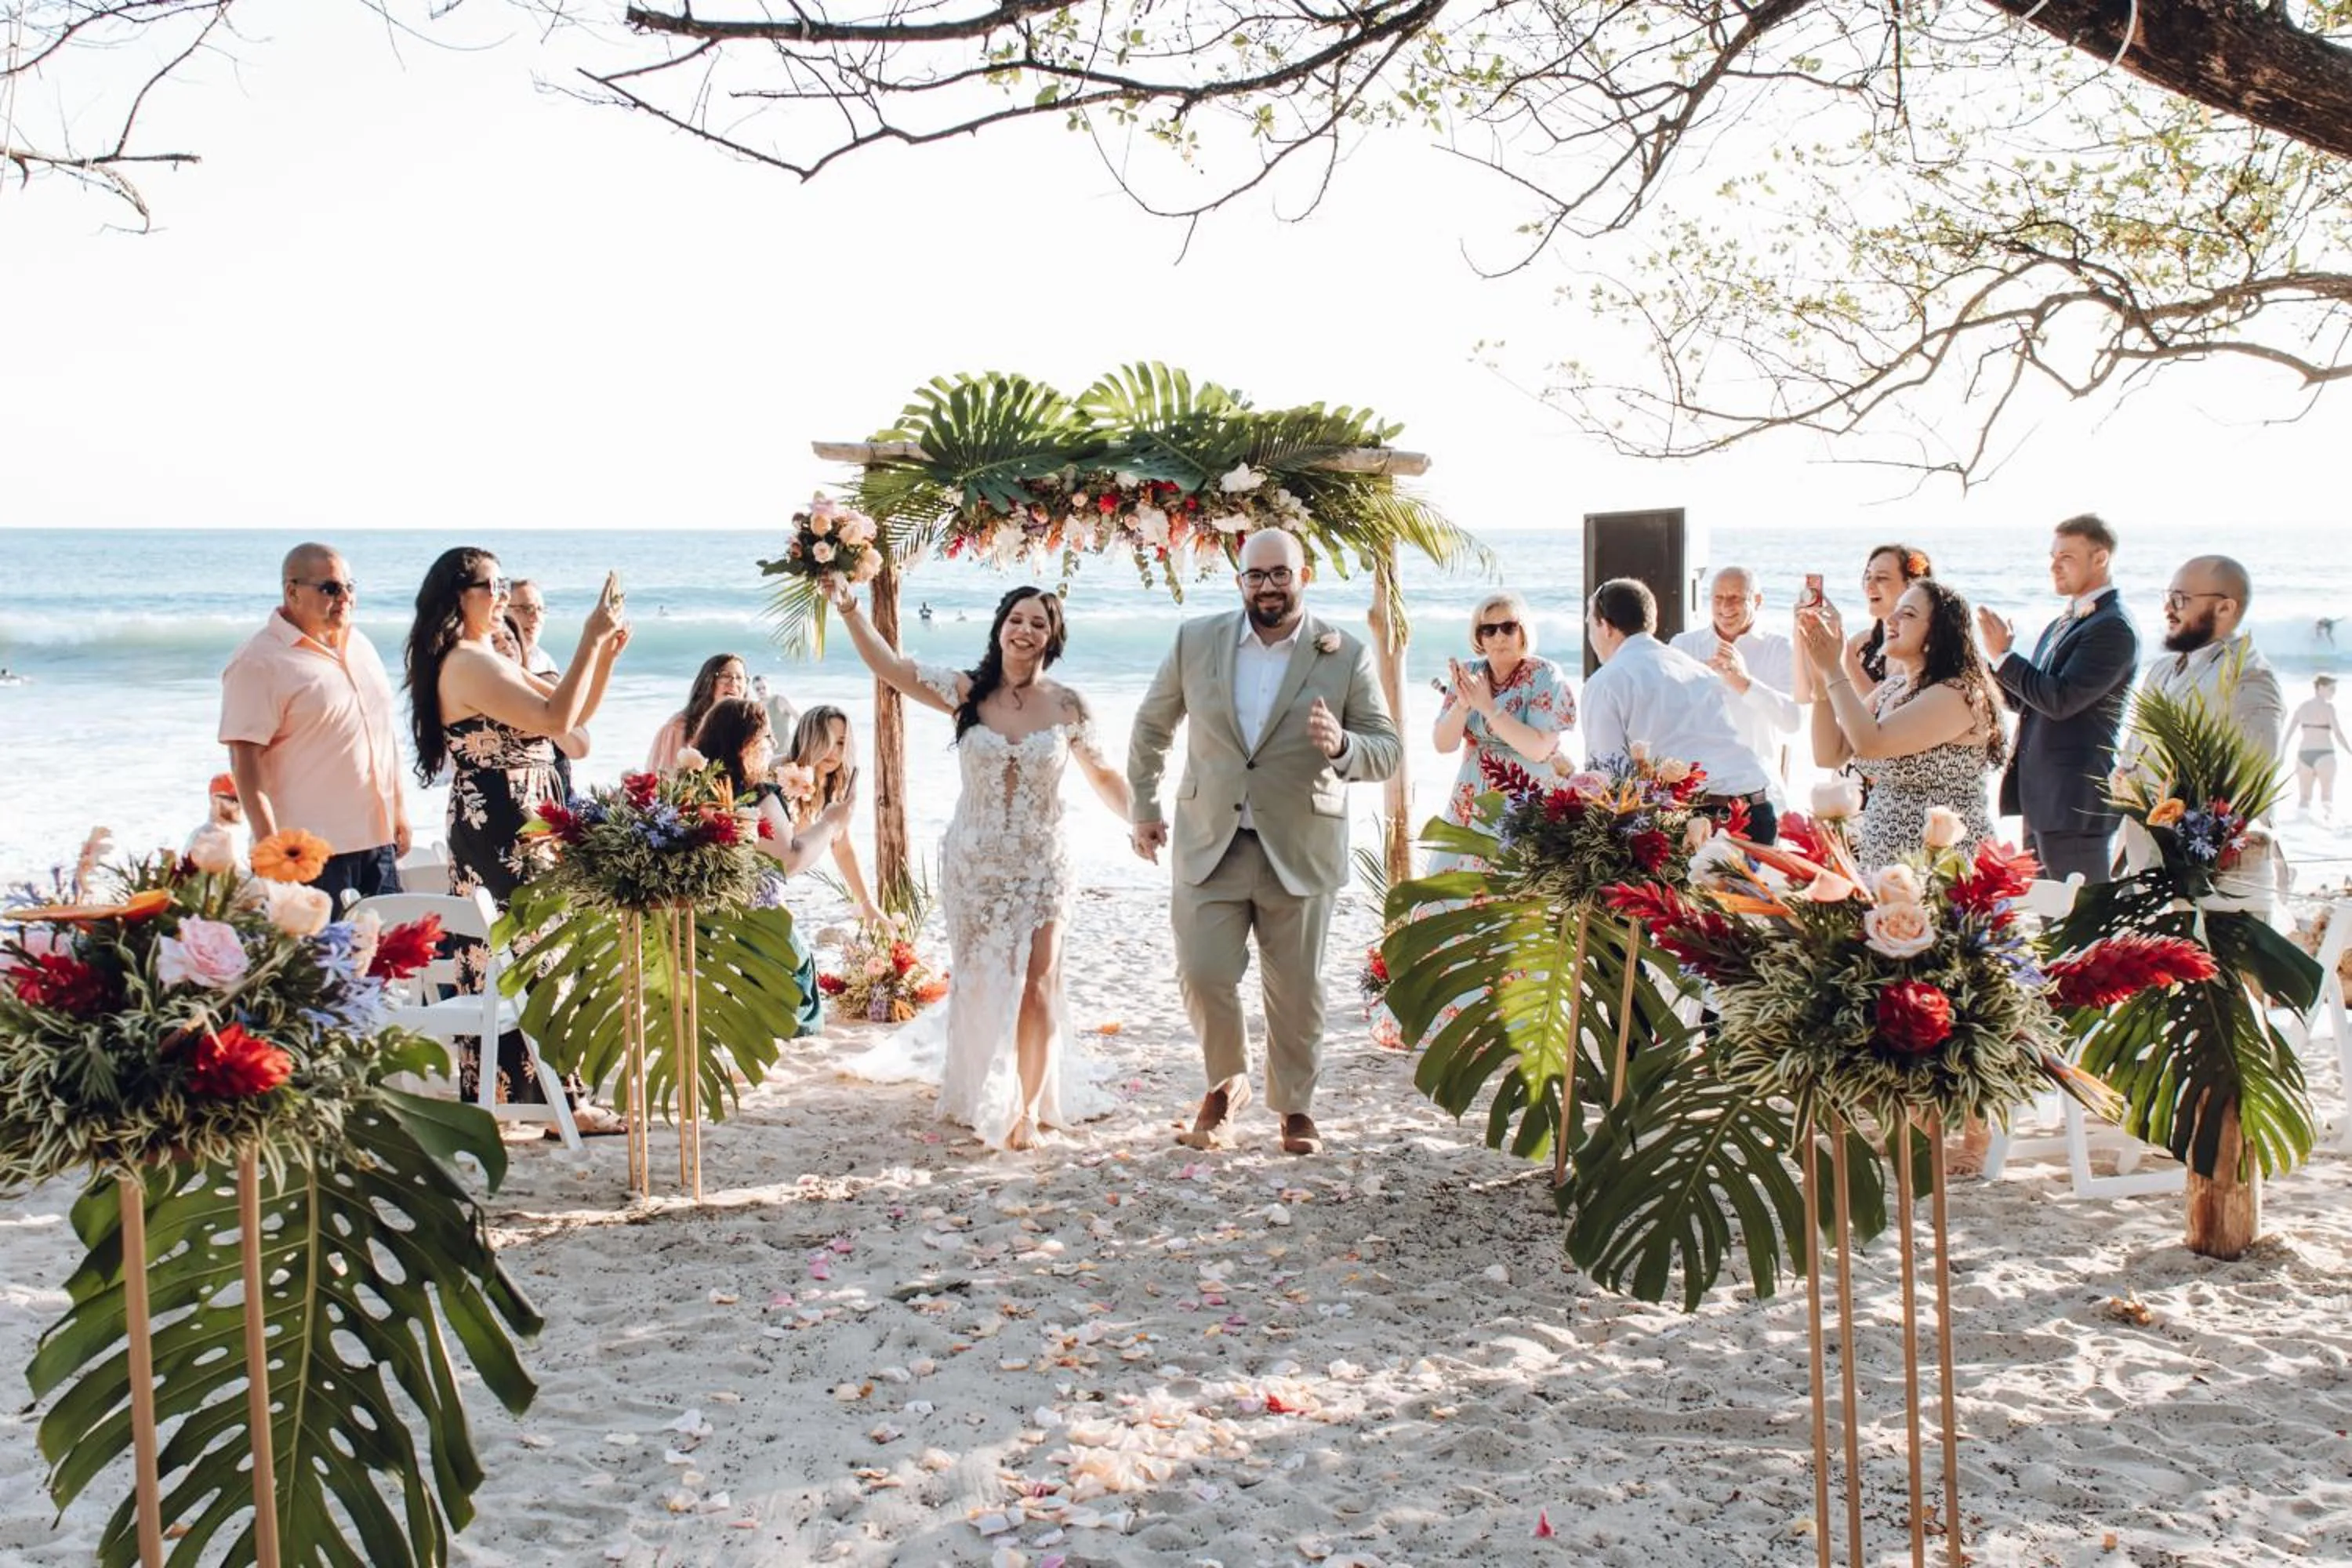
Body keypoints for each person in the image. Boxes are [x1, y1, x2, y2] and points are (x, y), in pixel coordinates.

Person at [1128, 528, 1403, 1156]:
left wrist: (1341, 746)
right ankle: (1226, 1085)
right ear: (1239, 582)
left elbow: (1386, 751)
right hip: (1208, 839)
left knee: (1298, 988)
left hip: (1300, 844)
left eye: (1281, 573)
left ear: (1303, 575)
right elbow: (1151, 727)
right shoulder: (1194, 640)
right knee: (1202, 974)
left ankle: (1296, 1108)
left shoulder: (1347, 653)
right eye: (1257, 575)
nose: (1269, 585)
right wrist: (1143, 805)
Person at [832, 581, 1132, 1151]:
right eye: (1016, 619)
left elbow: (1104, 775)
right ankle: (979, 1090)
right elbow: (890, 667)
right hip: (974, 862)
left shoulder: (1069, 705)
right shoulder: (967, 693)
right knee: (979, 982)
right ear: (999, 627)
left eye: (1038, 623)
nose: (1025, 630)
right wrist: (849, 608)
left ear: (1053, 636)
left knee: (1039, 982)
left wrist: (1140, 819)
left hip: (1044, 861)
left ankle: (1026, 1110)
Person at [406, 547, 629, 1118]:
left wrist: (600, 653)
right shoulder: (466, 662)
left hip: (523, 818)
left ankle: (556, 1100)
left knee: (548, 955)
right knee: (529, 957)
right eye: (491, 585)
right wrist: (587, 635)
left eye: (505, 583)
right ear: (459, 595)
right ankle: (549, 1103)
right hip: (501, 823)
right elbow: (555, 718)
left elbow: (572, 719)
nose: (502, 595)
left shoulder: (486, 655)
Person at [219, 542, 412, 903]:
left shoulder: (360, 645)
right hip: (311, 855)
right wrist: (269, 844)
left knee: (386, 958)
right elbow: (244, 761)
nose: (345, 597)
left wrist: (398, 812)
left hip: (378, 843)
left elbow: (382, 737)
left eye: (350, 586)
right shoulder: (258, 661)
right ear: (292, 591)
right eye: (330, 588)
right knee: (325, 960)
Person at [1799, 576, 2005, 869]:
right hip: (1885, 863)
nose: (1891, 619)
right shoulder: (1892, 689)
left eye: (1907, 614)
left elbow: (1872, 743)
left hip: (1943, 867)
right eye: (1896, 610)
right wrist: (1821, 682)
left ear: (1937, 635)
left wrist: (1835, 667)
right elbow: (1830, 754)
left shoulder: (1960, 693)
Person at [1976, 514, 2139, 884]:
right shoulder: (2061, 624)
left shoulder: (2112, 627)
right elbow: (2026, 702)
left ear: (2100, 559)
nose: (2053, 565)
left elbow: (2060, 700)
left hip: (2076, 802)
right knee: (2051, 925)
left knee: (2082, 925)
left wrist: (2005, 657)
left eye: (2066, 556)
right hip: (2043, 800)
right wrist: (1986, 665)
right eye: (2052, 556)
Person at [692, 698, 859, 1037]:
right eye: (767, 738)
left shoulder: (696, 787)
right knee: (794, 1002)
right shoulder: (760, 793)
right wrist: (829, 823)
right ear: (747, 744)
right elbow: (786, 859)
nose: (773, 745)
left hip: (702, 926)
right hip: (753, 925)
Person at [2125, 556, 2287, 904]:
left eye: (2181, 599)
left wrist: (2196, 857)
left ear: (2226, 608)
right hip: (2148, 868)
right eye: (2167, 596)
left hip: (2215, 885)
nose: (2168, 608)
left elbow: (2249, 788)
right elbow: (2133, 759)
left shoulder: (2248, 679)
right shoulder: (2162, 670)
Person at [1583, 578, 1780, 843]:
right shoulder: (1694, 667)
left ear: (1605, 627)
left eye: (1590, 625)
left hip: (1697, 824)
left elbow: (1607, 781)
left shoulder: (1606, 681)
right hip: (1757, 814)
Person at [1430, 591, 1577, 870]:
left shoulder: (1543, 674)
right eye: (1489, 629)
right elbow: (1443, 744)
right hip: (1473, 796)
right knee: (1451, 894)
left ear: (1523, 632)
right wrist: (1462, 705)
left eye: (1508, 627)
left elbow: (1538, 749)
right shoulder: (1470, 672)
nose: (1499, 637)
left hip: (1525, 794)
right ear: (1479, 637)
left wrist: (1487, 708)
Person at [1670, 566, 1799, 801]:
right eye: (1718, 598)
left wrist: (1743, 683)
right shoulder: (1683, 646)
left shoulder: (1780, 648)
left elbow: (1793, 721)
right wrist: (1699, 685)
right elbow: (1666, 720)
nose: (1725, 607)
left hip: (1760, 795)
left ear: (1757, 600)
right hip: (1697, 795)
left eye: (1736, 598)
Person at [786, 704, 883, 923]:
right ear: (808, 738)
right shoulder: (783, 777)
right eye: (826, 740)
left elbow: (842, 847)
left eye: (840, 743)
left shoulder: (833, 783)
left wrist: (868, 905)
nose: (833, 751)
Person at [648, 654, 748, 771]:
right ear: (708, 681)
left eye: (739, 678)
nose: (733, 683)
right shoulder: (679, 726)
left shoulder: (748, 725)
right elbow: (665, 780)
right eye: (725, 676)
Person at [2291, 676, 2348, 819]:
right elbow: (2338, 734)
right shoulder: (2329, 708)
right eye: (2331, 688)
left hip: (2303, 755)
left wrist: (2281, 753)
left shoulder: (2302, 707)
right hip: (2325, 755)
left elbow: (2288, 733)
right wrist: (2350, 751)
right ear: (2320, 688)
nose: (2334, 692)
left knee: (2304, 798)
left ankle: (2302, 832)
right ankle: (2327, 830)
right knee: (2327, 798)